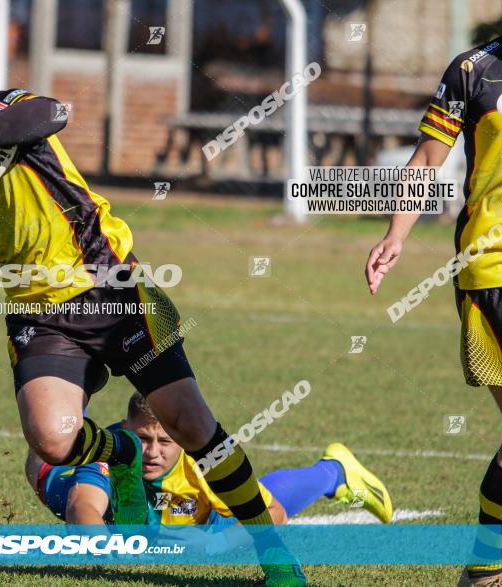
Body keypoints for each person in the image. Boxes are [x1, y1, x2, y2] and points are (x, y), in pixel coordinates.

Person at [0, 20, 304, 585]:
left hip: (109, 287)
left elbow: (54, 112)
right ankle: (123, 453)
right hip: (35, 307)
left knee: (191, 424)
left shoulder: (3, 111)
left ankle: (271, 552)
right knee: (50, 439)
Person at [364, 37, 502, 587]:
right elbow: (426, 159)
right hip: (492, 266)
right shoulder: (475, 71)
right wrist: (396, 234)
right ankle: (487, 568)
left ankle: (486, 567)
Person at [26, 392, 393, 545]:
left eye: (165, 442)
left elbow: (273, 513)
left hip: (195, 521)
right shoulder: (112, 446)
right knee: (44, 453)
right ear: (126, 428)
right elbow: (82, 508)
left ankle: (334, 472)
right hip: (72, 488)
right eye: (142, 439)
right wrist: (111, 547)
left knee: (247, 503)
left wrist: (214, 547)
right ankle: (76, 393)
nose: (151, 452)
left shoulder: (206, 459)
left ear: (182, 439)